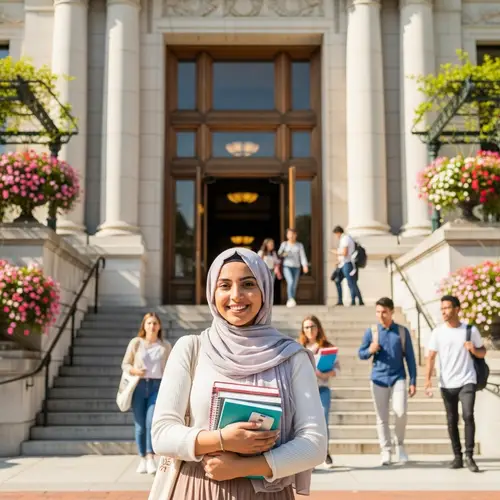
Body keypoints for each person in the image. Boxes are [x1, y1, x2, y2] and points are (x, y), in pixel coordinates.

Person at [151, 247, 327, 499]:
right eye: (224, 285)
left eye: (248, 284)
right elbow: (161, 434)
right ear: (212, 292)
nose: (236, 296)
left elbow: (315, 444)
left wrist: (242, 467)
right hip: (198, 488)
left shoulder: (291, 357)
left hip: (267, 493)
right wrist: (221, 440)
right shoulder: (191, 349)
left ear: (264, 291)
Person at [424, 295, 486, 473]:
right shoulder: (438, 332)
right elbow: (431, 357)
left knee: (468, 415)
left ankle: (469, 456)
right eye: (442, 308)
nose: (444, 311)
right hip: (446, 382)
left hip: (467, 379)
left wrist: (473, 349)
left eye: (447, 308)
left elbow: (482, 352)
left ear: (457, 309)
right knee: (452, 420)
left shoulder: (470, 330)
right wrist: (427, 380)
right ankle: (457, 456)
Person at [358, 297, 417, 466]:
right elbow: (361, 353)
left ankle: (400, 446)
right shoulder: (372, 331)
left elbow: (411, 358)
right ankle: (386, 450)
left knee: (400, 412)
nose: (381, 315)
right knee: (382, 417)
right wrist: (370, 349)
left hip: (398, 377)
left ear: (392, 312)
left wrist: (413, 381)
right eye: (378, 312)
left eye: (384, 312)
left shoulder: (402, 332)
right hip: (378, 379)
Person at [121, 312, 172, 474]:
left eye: (155, 323)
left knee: (152, 422)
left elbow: (171, 369)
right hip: (139, 385)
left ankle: (151, 457)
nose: (152, 326)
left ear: (159, 326)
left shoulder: (165, 346)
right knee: (140, 425)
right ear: (144, 325)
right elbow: (125, 364)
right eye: (149, 323)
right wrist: (135, 370)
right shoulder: (136, 343)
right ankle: (142, 457)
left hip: (157, 387)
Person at [298, 315, 339, 469]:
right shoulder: (299, 347)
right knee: (308, 424)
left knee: (323, 422)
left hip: (322, 389)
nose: (310, 330)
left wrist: (325, 374)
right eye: (306, 327)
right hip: (304, 392)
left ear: (318, 328)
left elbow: (337, 369)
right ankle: (311, 456)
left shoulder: (326, 347)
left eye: (312, 326)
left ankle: (325, 453)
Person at [332, 226, 364, 306]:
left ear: (338, 232)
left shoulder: (345, 239)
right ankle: (340, 300)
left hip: (348, 264)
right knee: (337, 280)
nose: (336, 236)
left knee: (351, 282)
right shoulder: (345, 239)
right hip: (343, 264)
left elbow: (345, 253)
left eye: (336, 234)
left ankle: (357, 300)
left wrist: (335, 252)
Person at [278, 228, 308, 308]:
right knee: (290, 281)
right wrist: (284, 254)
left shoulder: (299, 245)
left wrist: (304, 265)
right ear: (287, 235)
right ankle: (290, 299)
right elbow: (279, 254)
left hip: (296, 267)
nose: (291, 236)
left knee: (294, 284)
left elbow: (302, 256)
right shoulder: (284, 244)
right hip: (287, 266)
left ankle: (292, 299)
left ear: (296, 235)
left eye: (293, 234)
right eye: (290, 234)